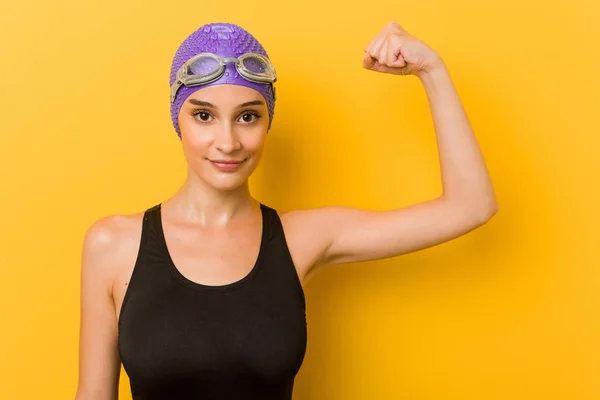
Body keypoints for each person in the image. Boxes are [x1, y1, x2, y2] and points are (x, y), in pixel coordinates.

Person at [75, 21, 497, 400]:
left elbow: (470, 206)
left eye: (247, 117)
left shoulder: (301, 240)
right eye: (204, 115)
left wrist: (432, 72)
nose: (228, 141)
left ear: (268, 121)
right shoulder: (113, 245)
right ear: (177, 119)